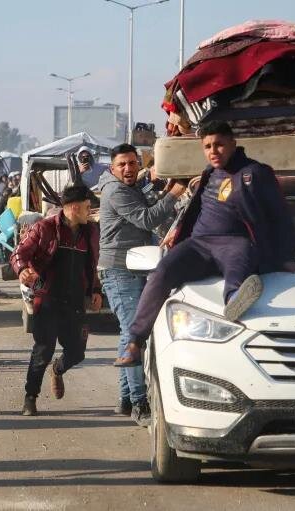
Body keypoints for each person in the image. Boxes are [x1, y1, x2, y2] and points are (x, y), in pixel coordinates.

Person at [115, 121, 295, 368]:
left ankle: (235, 299)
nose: (214, 151)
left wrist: (284, 257)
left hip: (235, 242)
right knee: (161, 272)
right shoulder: (209, 173)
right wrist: (176, 233)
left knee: (239, 261)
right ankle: (136, 342)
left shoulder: (255, 173)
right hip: (199, 244)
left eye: (219, 145)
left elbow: (280, 216)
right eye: (208, 146)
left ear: (233, 144)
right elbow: (194, 210)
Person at [96, 144, 186, 420]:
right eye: (121, 164)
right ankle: (138, 402)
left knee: (128, 332)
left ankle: (124, 400)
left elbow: (149, 195)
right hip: (119, 270)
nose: (127, 169)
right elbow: (147, 219)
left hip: (137, 264)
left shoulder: (133, 185)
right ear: (112, 168)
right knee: (133, 332)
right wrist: (174, 192)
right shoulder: (116, 191)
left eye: (132, 164)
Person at [10, 185, 102, 416]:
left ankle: (58, 370)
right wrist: (22, 270)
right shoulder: (44, 228)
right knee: (43, 350)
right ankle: (30, 397)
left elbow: (92, 266)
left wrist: (96, 291)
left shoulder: (90, 232)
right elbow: (18, 254)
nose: (91, 211)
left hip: (75, 302)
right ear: (74, 207)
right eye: (87, 207)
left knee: (77, 352)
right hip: (47, 298)